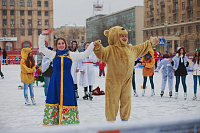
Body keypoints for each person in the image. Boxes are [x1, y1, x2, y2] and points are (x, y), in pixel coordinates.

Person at [93, 26, 159, 122]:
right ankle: (111, 122)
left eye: (125, 36)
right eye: (121, 36)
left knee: (126, 101)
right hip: (113, 82)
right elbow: (102, 54)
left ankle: (125, 121)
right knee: (112, 102)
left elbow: (141, 48)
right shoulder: (110, 49)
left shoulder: (130, 49)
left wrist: (150, 43)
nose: (124, 38)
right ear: (115, 37)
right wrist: (98, 47)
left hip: (127, 82)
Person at [39, 30, 96, 126]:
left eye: (62, 43)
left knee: (67, 99)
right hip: (55, 81)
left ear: (65, 45)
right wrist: (42, 36)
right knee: (54, 99)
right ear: (56, 45)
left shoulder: (71, 55)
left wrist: (92, 45)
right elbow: (42, 48)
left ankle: (67, 121)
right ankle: (54, 121)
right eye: (59, 44)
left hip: (67, 82)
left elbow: (85, 54)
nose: (61, 45)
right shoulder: (53, 54)